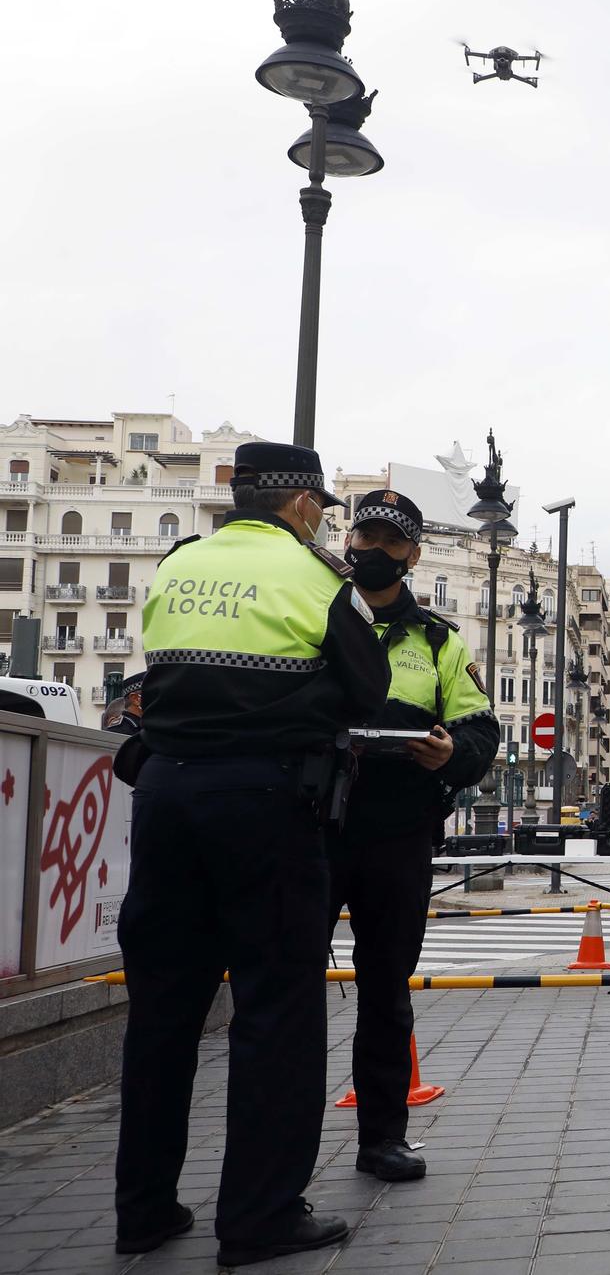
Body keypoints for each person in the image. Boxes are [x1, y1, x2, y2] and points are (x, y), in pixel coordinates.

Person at [115, 443, 389, 1265]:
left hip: (163, 797)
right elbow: (369, 687)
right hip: (264, 804)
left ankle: (144, 1209)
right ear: (303, 504)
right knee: (275, 1009)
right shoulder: (317, 579)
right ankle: (260, 1214)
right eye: (322, 509)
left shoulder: (179, 565)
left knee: (161, 1013)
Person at [326, 491, 499, 1184]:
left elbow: (483, 730)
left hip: (397, 834)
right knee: (289, 988)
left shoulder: (438, 640)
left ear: (413, 555)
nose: (374, 548)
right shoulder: (320, 613)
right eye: (364, 533)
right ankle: (282, 1150)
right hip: (314, 825)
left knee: (386, 991)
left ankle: (382, 1138)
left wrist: (449, 750)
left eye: (390, 541)